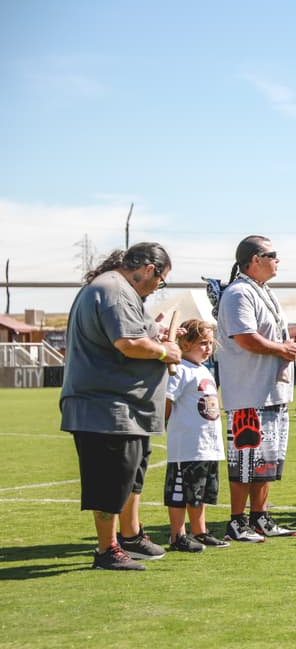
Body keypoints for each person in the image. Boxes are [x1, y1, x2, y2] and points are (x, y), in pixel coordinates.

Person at [60, 242, 179, 570]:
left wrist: (160, 333)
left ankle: (130, 536)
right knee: (110, 480)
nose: (158, 287)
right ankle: (106, 549)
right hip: (106, 407)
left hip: (126, 407)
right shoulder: (114, 289)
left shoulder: (118, 290)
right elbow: (127, 342)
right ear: (150, 269)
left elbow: (138, 333)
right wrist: (164, 352)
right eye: (161, 280)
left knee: (131, 475)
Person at [214, 235, 296, 542]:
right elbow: (245, 337)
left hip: (271, 392)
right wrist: (280, 348)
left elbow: (273, 335)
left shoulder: (263, 292)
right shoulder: (238, 293)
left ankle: (260, 517)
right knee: (245, 459)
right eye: (273, 254)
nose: (278, 260)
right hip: (248, 392)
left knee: (267, 461)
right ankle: (237, 521)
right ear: (255, 260)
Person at [164, 319, 228, 553]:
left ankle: (199, 531)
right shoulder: (179, 368)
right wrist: (164, 422)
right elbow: (167, 401)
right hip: (187, 444)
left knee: (199, 492)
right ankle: (177, 535)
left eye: (210, 343)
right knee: (181, 493)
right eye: (202, 343)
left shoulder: (203, 370)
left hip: (207, 444)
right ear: (185, 343)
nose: (208, 348)